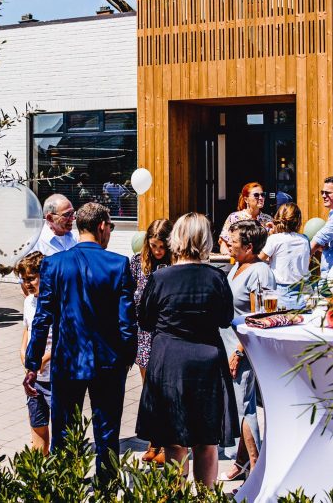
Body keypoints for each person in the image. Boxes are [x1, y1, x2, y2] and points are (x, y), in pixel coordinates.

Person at [23, 202, 135, 483]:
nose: (110, 232)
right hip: (107, 363)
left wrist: (32, 363)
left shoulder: (54, 264)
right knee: (107, 433)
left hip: (68, 360)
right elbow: (127, 322)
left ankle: (66, 489)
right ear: (101, 227)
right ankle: (107, 491)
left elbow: (42, 319)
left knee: (64, 432)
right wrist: (126, 359)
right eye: (110, 227)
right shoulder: (118, 264)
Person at [136, 213, 238, 490]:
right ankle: (206, 497)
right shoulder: (216, 278)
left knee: (174, 441)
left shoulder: (161, 278)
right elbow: (225, 318)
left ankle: (177, 496)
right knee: (206, 441)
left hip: (170, 361)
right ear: (205, 240)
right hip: (206, 361)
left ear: (176, 239)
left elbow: (144, 320)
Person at [220, 220, 275, 482]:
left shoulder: (260, 272)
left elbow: (260, 316)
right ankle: (241, 461)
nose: (229, 243)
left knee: (245, 408)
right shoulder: (237, 266)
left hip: (242, 349)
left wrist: (240, 351)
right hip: (228, 345)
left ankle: (256, 467)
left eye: (234, 240)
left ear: (250, 246)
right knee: (241, 405)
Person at [131, 218, 173, 465]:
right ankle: (154, 441)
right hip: (143, 334)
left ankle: (168, 444)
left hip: (165, 333)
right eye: (154, 246)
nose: (158, 251)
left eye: (162, 247)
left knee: (166, 391)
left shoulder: (173, 265)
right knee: (150, 392)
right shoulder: (137, 264)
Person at [16, 251, 50, 454]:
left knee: (64, 430)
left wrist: (41, 360)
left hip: (55, 375)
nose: (27, 284)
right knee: (37, 424)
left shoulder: (55, 302)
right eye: (24, 279)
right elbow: (27, 331)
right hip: (34, 377)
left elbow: (61, 339)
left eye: (31, 278)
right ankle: (39, 473)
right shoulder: (29, 302)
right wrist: (24, 355)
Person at [259, 202, 311, 310]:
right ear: (298, 221)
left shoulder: (274, 239)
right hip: (303, 292)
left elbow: (259, 259)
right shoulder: (305, 240)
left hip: (280, 292)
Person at [218, 182, 273, 254]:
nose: (261, 198)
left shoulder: (268, 219)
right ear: (246, 199)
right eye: (256, 195)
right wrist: (230, 259)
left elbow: (273, 245)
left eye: (263, 195)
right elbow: (223, 242)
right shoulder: (235, 217)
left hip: (262, 262)